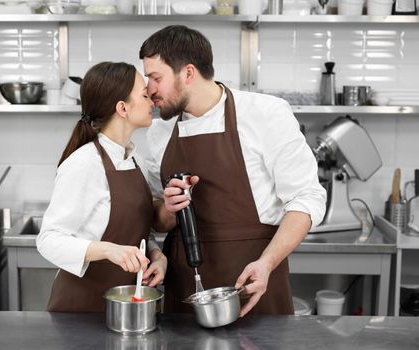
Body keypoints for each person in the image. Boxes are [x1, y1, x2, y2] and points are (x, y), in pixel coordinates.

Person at [139, 25, 326, 316]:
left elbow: (307, 198)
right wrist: (169, 209)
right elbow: (157, 219)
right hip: (187, 289)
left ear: (188, 73)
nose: (148, 90)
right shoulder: (159, 132)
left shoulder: (266, 113)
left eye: (155, 78)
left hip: (254, 280)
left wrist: (266, 264)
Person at [37, 62, 167, 312]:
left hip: (125, 306)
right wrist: (107, 250)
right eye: (143, 94)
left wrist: (156, 255)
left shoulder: (134, 160)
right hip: (81, 308)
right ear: (122, 108)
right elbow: (48, 240)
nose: (151, 99)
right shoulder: (84, 163)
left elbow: (137, 231)